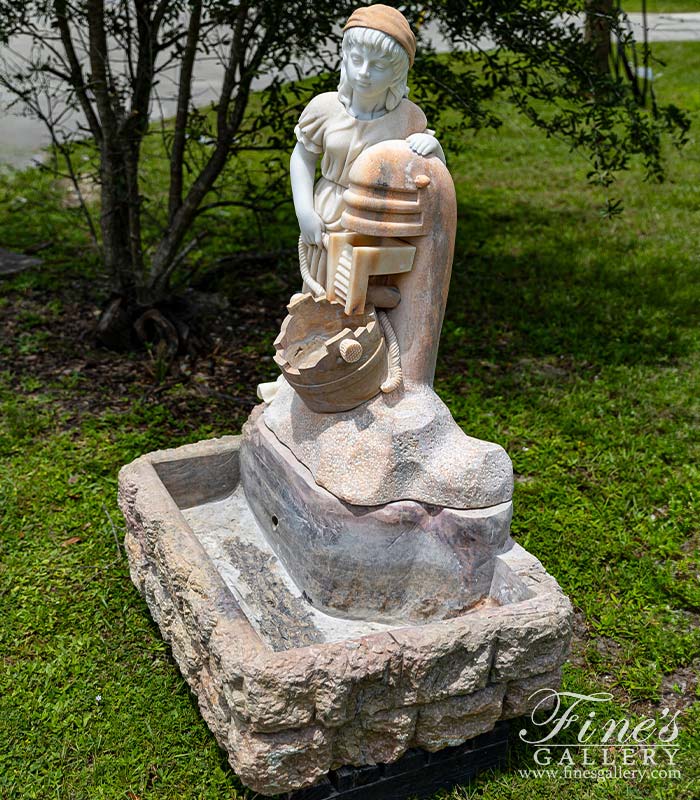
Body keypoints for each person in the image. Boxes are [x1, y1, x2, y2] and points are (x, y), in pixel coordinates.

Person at [290, 4, 445, 290]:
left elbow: (433, 179)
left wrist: (433, 148)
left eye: (378, 66)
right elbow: (302, 157)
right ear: (344, 57)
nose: (363, 72)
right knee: (323, 289)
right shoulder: (324, 108)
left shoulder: (407, 119)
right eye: (356, 59)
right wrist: (305, 212)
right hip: (328, 212)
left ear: (397, 73)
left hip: (377, 216)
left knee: (368, 290)